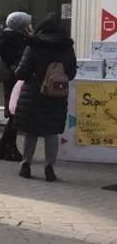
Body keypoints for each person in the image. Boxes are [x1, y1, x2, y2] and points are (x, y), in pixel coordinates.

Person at [12, 17, 77, 182]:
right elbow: (71, 73)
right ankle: (49, 168)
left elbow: (21, 72)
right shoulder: (66, 47)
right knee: (51, 133)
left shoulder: (34, 45)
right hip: (56, 96)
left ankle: (26, 165)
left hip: (33, 94)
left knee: (31, 132)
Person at [0, 11, 32, 161]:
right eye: (27, 24)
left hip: (10, 79)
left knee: (14, 113)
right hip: (15, 79)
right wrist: (31, 37)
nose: (29, 26)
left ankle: (3, 148)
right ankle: (8, 149)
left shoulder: (5, 37)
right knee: (15, 114)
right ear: (21, 25)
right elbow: (21, 59)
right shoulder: (16, 39)